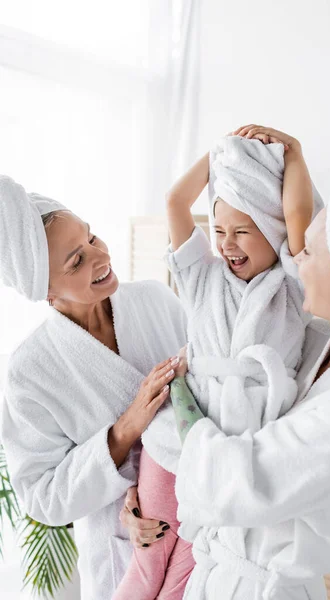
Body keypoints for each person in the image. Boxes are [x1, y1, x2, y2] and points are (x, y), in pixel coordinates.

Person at [124, 136, 330, 599]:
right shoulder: (319, 345)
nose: (296, 261)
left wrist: (182, 407)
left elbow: (231, 482)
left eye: (308, 253)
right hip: (219, 568)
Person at [114, 125, 322, 599]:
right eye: (220, 230)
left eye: (243, 232)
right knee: (147, 565)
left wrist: (293, 151)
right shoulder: (200, 277)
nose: (226, 244)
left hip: (237, 446)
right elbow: (174, 201)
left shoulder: (292, 284)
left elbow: (297, 211)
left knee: (189, 576)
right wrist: (222, 155)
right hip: (174, 445)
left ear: (272, 230)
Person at [0, 176, 190, 600]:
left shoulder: (155, 301)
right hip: (122, 556)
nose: (100, 256)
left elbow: (212, 385)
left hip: (202, 519)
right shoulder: (31, 371)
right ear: (46, 292)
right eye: (76, 261)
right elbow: (42, 497)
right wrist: (124, 431)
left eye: (92, 237)